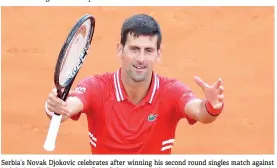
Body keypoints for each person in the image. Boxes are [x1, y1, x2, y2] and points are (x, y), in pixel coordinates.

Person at [44, 14, 225, 154]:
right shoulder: (96, 87)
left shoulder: (172, 91)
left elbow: (200, 112)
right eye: (134, 49)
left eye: (148, 51)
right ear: (119, 49)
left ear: (158, 54)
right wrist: (55, 107)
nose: (141, 59)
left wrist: (211, 107)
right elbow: (68, 107)